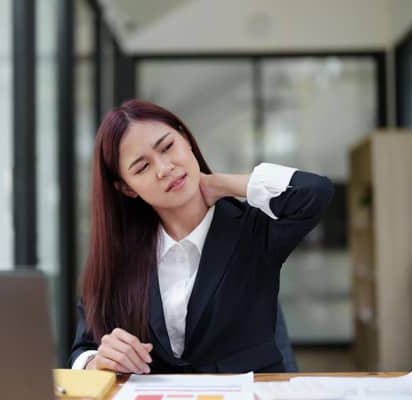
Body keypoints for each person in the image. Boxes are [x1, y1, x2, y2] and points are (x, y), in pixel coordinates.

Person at [69, 99, 334, 374]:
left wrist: (219, 183)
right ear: (127, 188)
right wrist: (98, 360)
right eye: (142, 167)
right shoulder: (117, 256)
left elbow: (315, 193)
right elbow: (82, 351)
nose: (164, 169)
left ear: (185, 138)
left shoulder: (252, 229)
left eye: (168, 147)